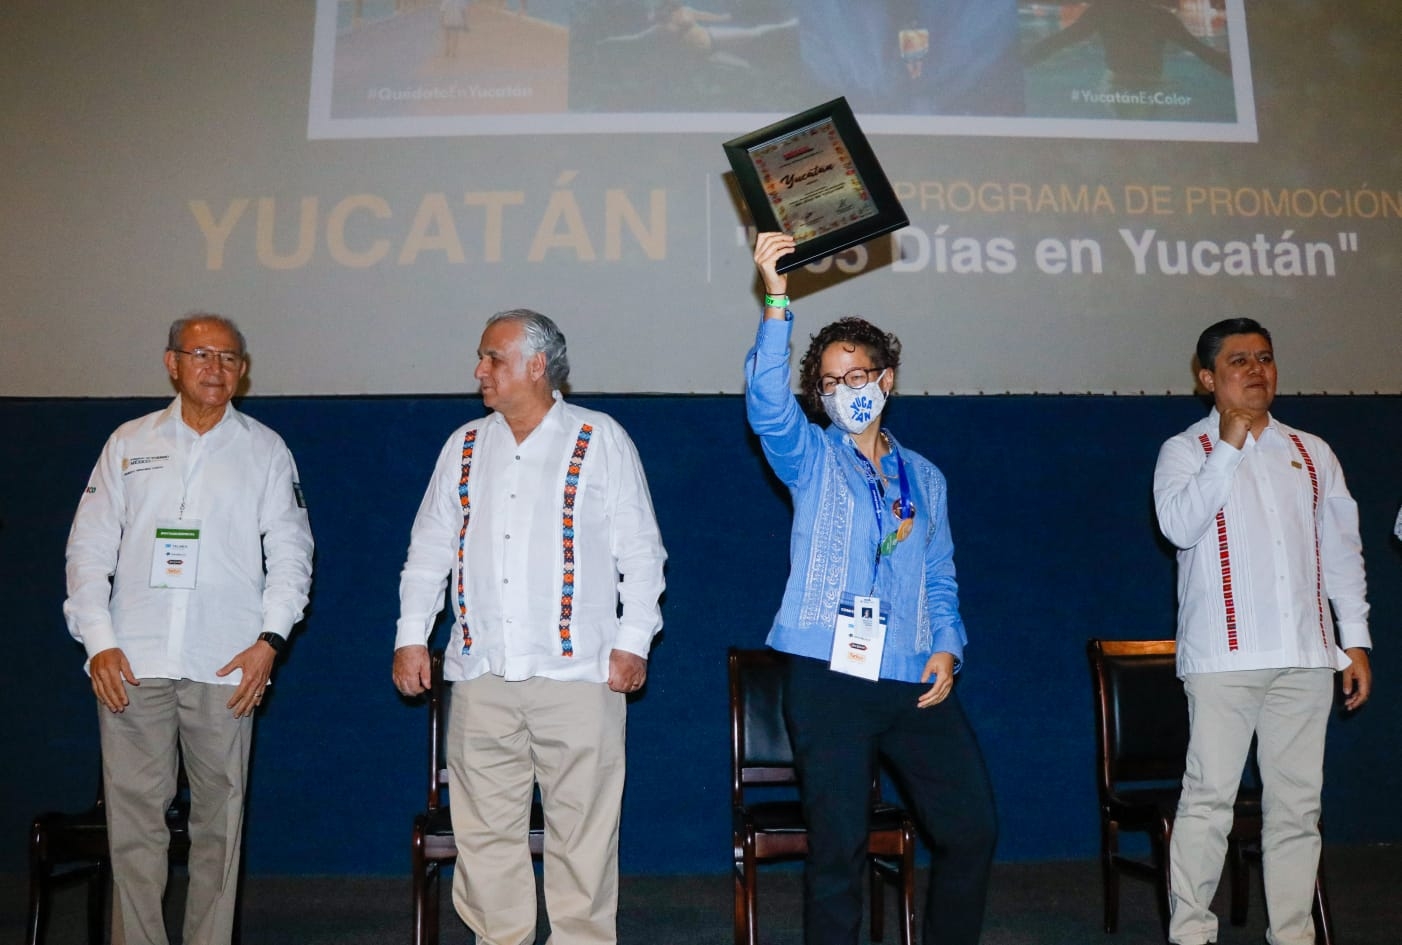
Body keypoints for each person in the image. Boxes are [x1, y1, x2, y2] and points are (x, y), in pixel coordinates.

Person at [745, 232, 997, 945]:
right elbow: (766, 406)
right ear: (818, 396)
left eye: (859, 375)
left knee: (972, 829)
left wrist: (947, 646)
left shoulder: (927, 475)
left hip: (913, 675)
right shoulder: (810, 456)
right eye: (829, 382)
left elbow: (941, 572)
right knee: (838, 853)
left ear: (886, 380)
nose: (846, 390)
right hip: (829, 678)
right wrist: (775, 298)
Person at [392, 309, 666, 945]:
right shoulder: (463, 445)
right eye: (482, 358)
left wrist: (633, 641)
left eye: (493, 358)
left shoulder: (599, 439)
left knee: (583, 835)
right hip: (481, 676)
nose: (479, 370)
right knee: (484, 836)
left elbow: (642, 552)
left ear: (538, 366)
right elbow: (430, 549)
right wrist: (412, 635)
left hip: (578, 676)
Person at [63, 313, 314, 945]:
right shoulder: (128, 442)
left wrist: (270, 643)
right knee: (135, 826)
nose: (217, 368)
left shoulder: (265, 448)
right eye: (202, 355)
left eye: (230, 358)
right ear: (171, 362)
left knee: (219, 828)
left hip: (227, 663)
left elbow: (291, 554)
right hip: (133, 661)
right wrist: (99, 642)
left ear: (243, 371)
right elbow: (88, 550)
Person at [1154, 317, 1372, 945]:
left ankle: (1293, 936)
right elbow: (1179, 528)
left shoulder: (1312, 451)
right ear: (1207, 378)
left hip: (1306, 656)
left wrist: (1353, 640)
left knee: (1298, 812)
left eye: (1266, 358)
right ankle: (1191, 934)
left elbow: (1342, 553)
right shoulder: (1184, 451)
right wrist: (1227, 448)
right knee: (1207, 804)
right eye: (1239, 361)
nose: (1256, 370)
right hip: (1223, 660)